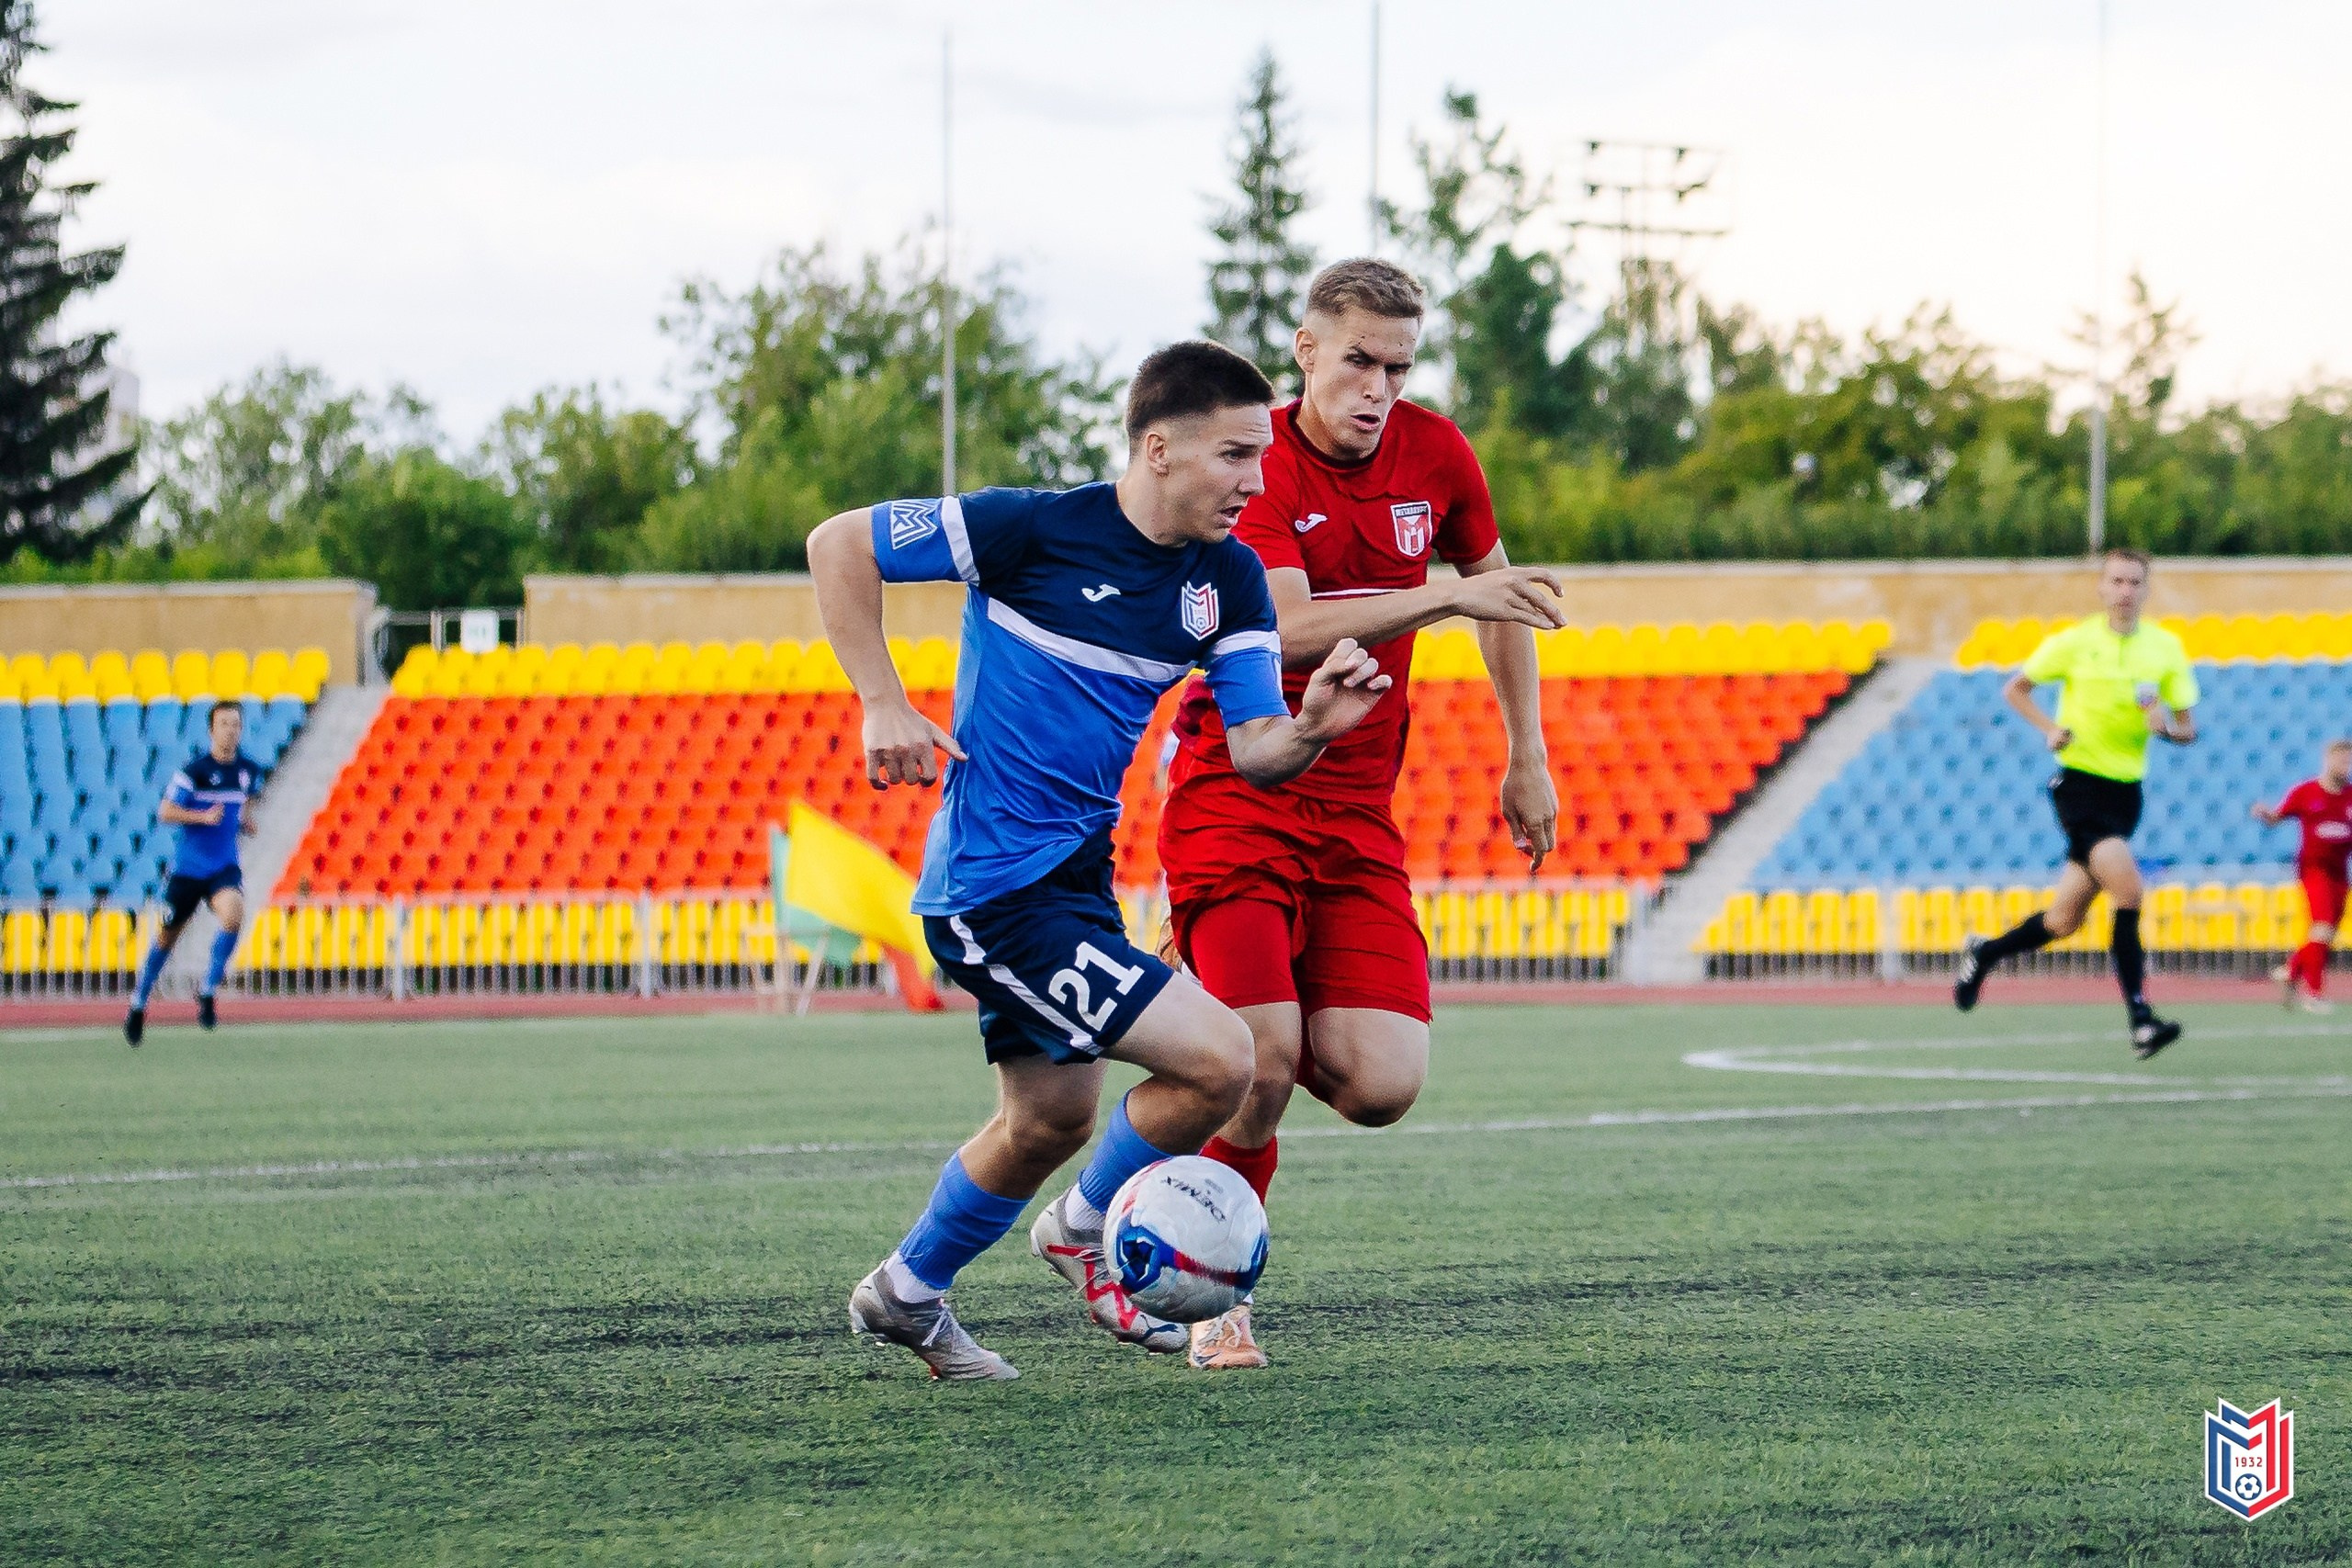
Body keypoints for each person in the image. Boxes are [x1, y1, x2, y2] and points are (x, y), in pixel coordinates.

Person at [809, 341, 1395, 1381]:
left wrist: (1312, 728)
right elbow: (837, 543)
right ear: (1158, 448)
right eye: (1233, 456)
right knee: (1225, 1059)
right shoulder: (1030, 528)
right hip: (994, 889)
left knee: (1047, 1119)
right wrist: (881, 697)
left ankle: (904, 1294)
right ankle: (1081, 1234)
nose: (1254, 482)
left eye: (1260, 459)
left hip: (1073, 881)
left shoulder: (1229, 581)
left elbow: (1256, 749)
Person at [1156, 258, 1564, 1370]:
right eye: (1356, 362)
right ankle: (1216, 1292)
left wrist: (1526, 755)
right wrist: (1443, 593)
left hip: (1354, 811)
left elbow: (1505, 600)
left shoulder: (1438, 454)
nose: (1376, 387)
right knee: (1263, 1056)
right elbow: (1280, 628)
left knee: (1383, 1085)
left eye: (1397, 366)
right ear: (1305, 351)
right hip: (1241, 785)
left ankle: (1189, 1057)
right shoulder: (1259, 461)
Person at [1952, 547, 2198, 1056]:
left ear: (2146, 589)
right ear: (2102, 588)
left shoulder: (2166, 649)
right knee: (2128, 893)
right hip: (2079, 786)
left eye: (2135, 582)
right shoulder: (2074, 642)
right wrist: (2050, 728)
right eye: (2117, 582)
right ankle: (2141, 1020)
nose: (2126, 591)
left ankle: (1985, 952)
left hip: (2127, 793)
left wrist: (2168, 732)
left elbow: (2188, 729)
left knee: (2065, 921)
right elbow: (2015, 689)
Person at [125, 700, 259, 1047]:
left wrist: (244, 822)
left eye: (235, 724)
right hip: (188, 869)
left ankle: (208, 990)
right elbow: (166, 811)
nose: (230, 730)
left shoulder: (247, 771)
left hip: (222, 867)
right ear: (211, 730)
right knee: (167, 938)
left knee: (233, 914)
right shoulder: (194, 771)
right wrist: (201, 817)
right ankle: (138, 1003)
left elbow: (242, 806)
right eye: (224, 724)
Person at [2253, 738, 2352, 1013]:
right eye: (2342, 760)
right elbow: (2278, 816)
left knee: (2328, 934)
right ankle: (2313, 993)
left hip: (2340, 873)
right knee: (2320, 926)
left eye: (2349, 760)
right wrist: (2266, 814)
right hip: (2313, 870)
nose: (2346, 766)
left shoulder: (2350, 796)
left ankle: (2291, 968)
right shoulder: (2306, 792)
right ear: (2327, 760)